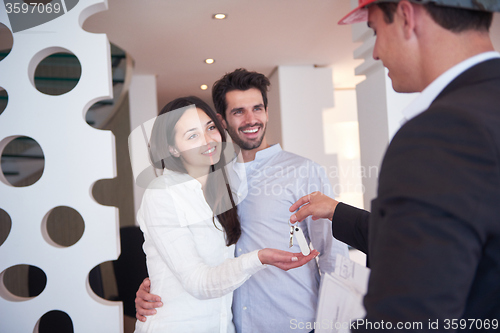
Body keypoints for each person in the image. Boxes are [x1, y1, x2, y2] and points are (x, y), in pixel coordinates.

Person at [290, 0, 500, 330]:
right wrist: (337, 211)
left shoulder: (439, 132)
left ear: (405, 16)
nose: (374, 52)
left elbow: (410, 316)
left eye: (375, 30)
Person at [136, 71, 349, 332]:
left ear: (267, 112)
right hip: (235, 324)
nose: (251, 119)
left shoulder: (305, 171)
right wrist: (157, 284)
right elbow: (191, 260)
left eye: (257, 108)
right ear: (223, 120)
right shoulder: (216, 179)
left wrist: (333, 324)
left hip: (294, 321)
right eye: (238, 111)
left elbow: (332, 255)